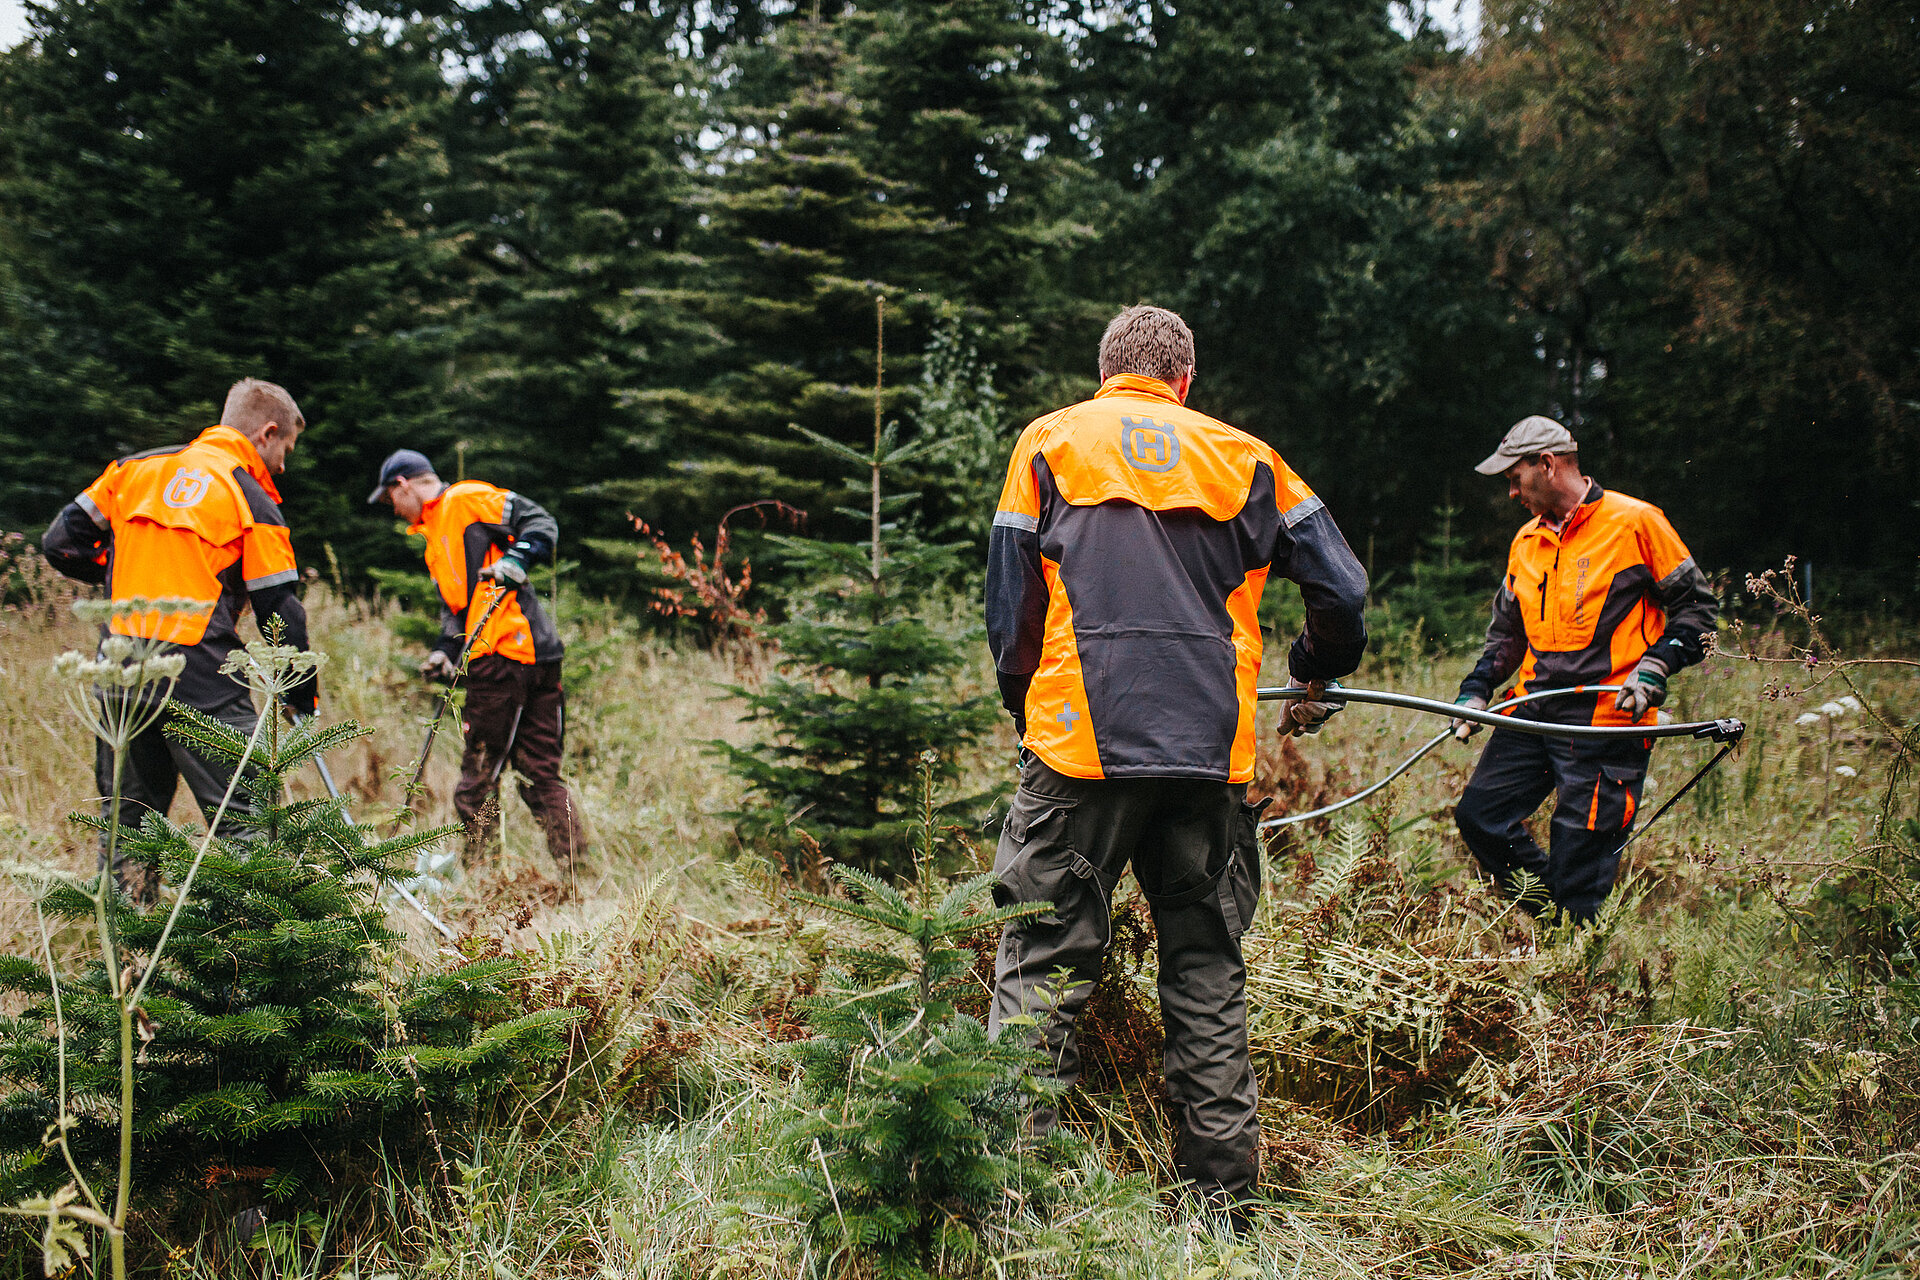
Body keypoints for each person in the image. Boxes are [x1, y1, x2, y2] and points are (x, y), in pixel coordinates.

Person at [984, 305, 1368, 1216]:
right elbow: (1343, 590)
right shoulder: (1249, 459)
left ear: (1108, 370)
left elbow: (1010, 611)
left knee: (1041, 966)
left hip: (1079, 752)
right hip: (1210, 758)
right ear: (1185, 381)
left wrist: (1024, 706)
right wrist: (1314, 667)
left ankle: (1011, 1202)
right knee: (1205, 968)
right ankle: (1220, 1208)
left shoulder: (1050, 442)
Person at [42, 378, 317, 902]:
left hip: (119, 668)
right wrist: (302, 697)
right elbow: (279, 610)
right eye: (285, 450)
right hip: (201, 674)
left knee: (129, 825)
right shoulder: (250, 496)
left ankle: (124, 963)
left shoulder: (132, 471)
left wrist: (120, 581)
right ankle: (246, 964)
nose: (283, 464)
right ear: (268, 432)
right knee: (248, 818)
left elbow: (61, 543)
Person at [1450, 415, 1718, 922]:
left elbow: (1698, 613)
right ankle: (1557, 924)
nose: (1511, 493)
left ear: (1547, 465)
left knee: (1579, 859)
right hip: (1531, 713)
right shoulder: (1526, 542)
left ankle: (1572, 948)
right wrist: (1476, 688)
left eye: (1514, 478)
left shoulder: (1636, 523)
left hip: (1607, 722)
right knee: (1481, 817)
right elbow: (1508, 636)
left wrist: (1656, 665)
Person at [368, 450, 584, 871]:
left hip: (502, 657)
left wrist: (517, 560)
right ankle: (578, 878)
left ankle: (480, 876)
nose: (393, 510)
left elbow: (540, 522)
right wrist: (443, 652)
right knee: (540, 776)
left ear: (403, 484)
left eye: (390, 499)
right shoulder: (434, 539)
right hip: (536, 654)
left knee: (478, 781)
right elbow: (459, 611)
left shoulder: (462, 500)